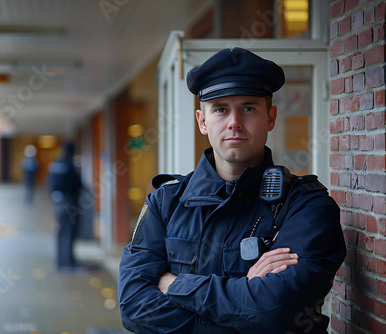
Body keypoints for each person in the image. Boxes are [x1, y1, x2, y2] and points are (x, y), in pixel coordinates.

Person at [118, 48, 346, 333]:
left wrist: (175, 284)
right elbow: (133, 308)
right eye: (221, 109)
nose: (234, 122)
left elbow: (274, 311)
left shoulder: (306, 206)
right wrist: (244, 298)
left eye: (248, 108)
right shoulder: (166, 203)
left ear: (271, 118)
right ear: (203, 121)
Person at [47, 141, 83, 270]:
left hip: (58, 203)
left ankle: (59, 261)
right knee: (69, 232)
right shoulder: (69, 166)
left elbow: (49, 184)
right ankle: (68, 262)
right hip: (70, 202)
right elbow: (78, 185)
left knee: (60, 232)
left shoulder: (54, 165)